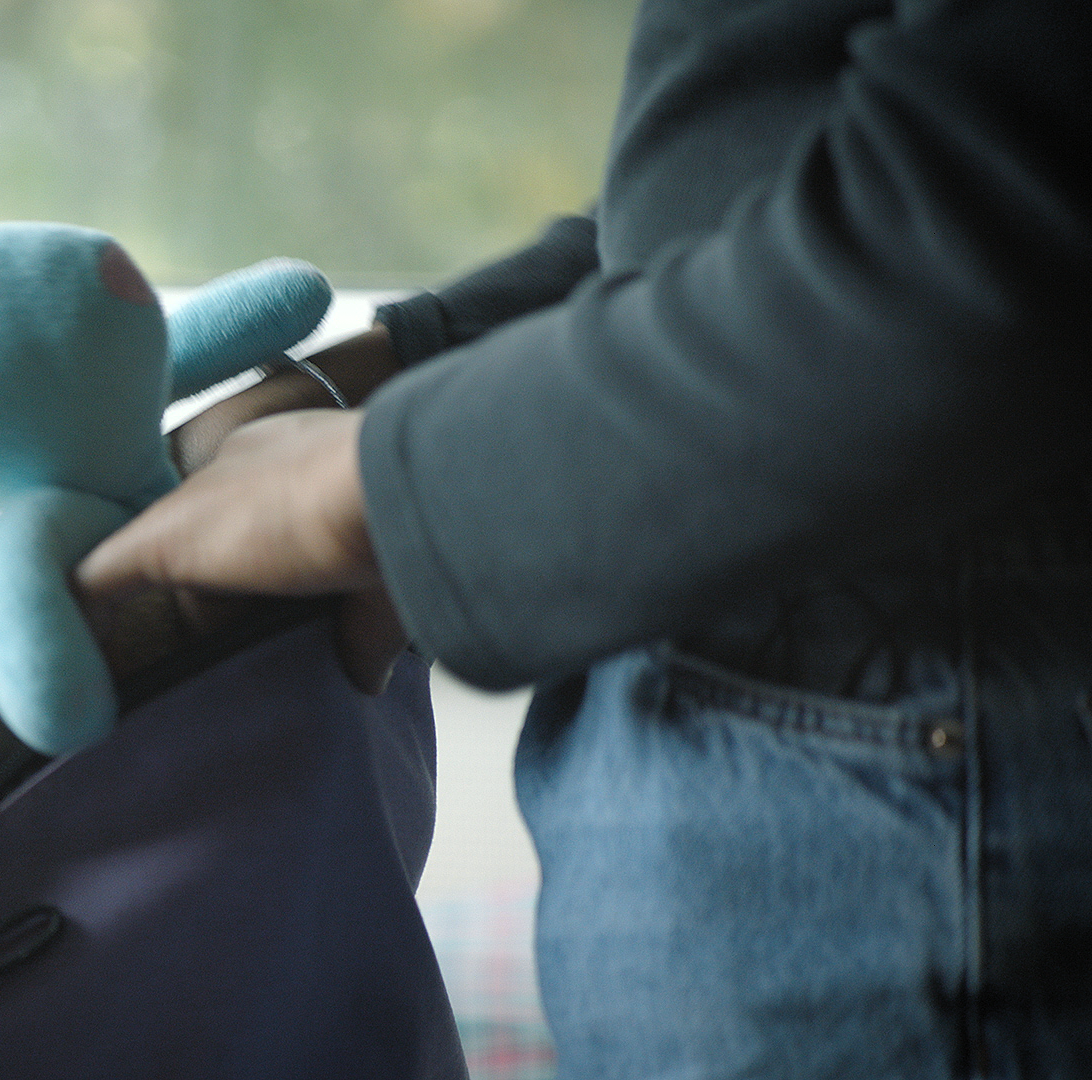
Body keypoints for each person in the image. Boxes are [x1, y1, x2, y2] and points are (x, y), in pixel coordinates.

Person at [77, 0, 1092, 1075]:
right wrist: (404, 363)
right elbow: (749, 172)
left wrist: (363, 489)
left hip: (930, 846)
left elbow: (986, 226)